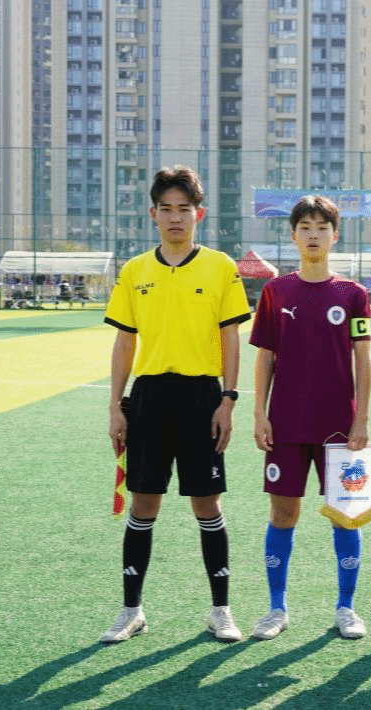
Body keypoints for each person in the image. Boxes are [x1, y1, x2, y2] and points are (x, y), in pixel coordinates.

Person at [100, 165, 251, 644]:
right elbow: (125, 342)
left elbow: (231, 337)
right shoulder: (135, 270)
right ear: (153, 214)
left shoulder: (220, 267)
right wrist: (115, 405)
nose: (175, 217)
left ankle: (221, 610)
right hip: (148, 397)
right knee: (144, 501)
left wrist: (228, 399)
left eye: (184, 209)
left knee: (206, 502)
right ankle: (131, 611)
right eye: (166, 209)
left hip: (202, 396)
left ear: (198, 214)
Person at [249, 195, 371, 641]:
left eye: (322, 227)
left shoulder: (353, 294)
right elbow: (265, 357)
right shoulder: (276, 291)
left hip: (339, 425)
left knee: (345, 514)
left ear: (335, 235)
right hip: (285, 422)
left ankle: (346, 608)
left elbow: (363, 359)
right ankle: (276, 608)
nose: (314, 234)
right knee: (283, 512)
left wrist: (361, 420)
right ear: (293, 235)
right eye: (305, 227)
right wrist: (259, 413)